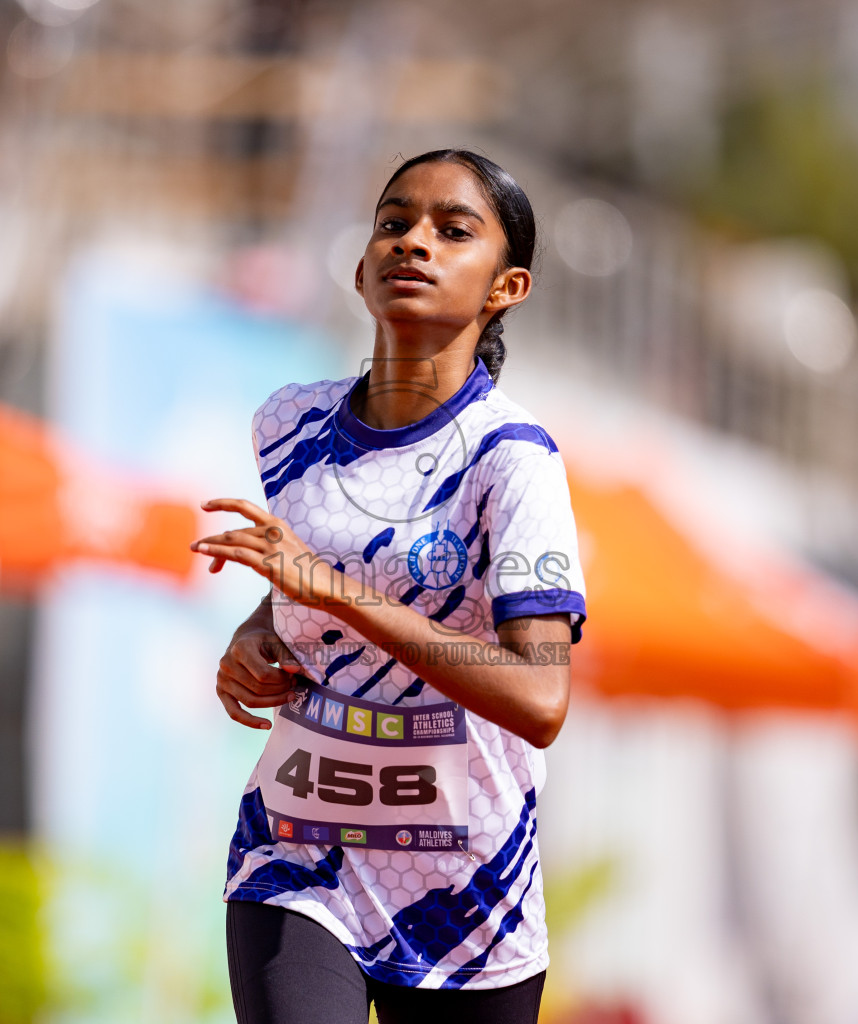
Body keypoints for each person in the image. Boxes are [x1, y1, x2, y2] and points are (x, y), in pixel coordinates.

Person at [192, 149, 587, 1024]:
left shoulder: (512, 458)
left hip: (465, 894)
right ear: (363, 264)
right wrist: (257, 636)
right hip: (298, 852)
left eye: (452, 231)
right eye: (393, 222)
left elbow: (540, 696)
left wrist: (329, 592)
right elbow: (305, 582)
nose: (413, 243)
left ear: (506, 287)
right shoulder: (289, 423)